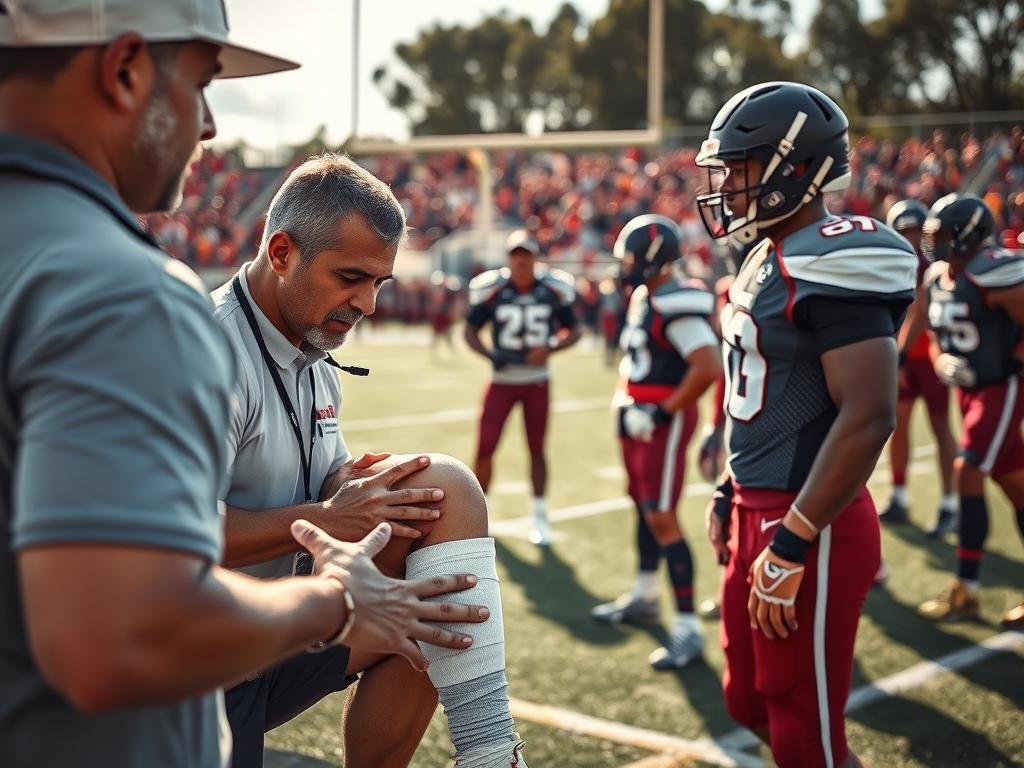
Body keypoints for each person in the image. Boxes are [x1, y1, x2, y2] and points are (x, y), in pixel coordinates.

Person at [0, 5, 488, 767]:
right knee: (405, 604)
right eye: (201, 82)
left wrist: (354, 493)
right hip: (126, 716)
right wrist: (333, 599)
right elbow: (119, 637)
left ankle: (493, 751)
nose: (209, 126)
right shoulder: (126, 296)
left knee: (443, 510)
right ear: (124, 69)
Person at [215, 153, 530, 768]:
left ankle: (492, 755)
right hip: (191, 672)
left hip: (276, 633)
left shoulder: (308, 342)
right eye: (351, 277)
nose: (367, 303)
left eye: (379, 283)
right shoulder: (207, 353)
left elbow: (322, 475)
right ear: (281, 253)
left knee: (442, 491)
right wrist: (330, 516)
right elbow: (161, 540)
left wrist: (356, 483)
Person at [695, 81, 917, 768]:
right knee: (746, 701)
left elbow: (869, 412)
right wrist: (734, 485)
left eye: (741, 168)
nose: (727, 186)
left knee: (802, 726)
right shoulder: (764, 253)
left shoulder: (833, 253)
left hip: (807, 520)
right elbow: (767, 394)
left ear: (796, 167)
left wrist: (792, 542)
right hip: (756, 509)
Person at [590, 215, 722, 670]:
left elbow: (707, 366)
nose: (624, 265)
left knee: (662, 516)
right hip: (637, 416)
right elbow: (635, 358)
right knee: (644, 506)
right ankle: (646, 596)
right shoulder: (646, 294)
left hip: (663, 420)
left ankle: (687, 627)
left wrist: (661, 412)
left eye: (630, 256)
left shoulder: (674, 300)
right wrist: (625, 401)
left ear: (651, 257)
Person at [903, 194, 1024, 629]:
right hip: (969, 392)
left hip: (1001, 387)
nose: (935, 242)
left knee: (966, 469)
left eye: (945, 234)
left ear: (969, 235)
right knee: (1016, 486)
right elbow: (925, 324)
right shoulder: (938, 275)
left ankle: (967, 592)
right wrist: (936, 359)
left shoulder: (996, 272)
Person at [465, 231, 582, 545]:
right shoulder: (493, 290)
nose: (520, 260)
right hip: (502, 381)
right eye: (515, 254)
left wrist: (551, 348)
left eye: (526, 254)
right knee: (485, 447)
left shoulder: (551, 291)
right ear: (508, 259)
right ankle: (479, 516)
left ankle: (539, 515)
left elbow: (574, 330)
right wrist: (491, 355)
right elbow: (470, 331)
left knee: (537, 448)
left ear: (535, 257)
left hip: (536, 381)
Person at [877, 199, 958, 537]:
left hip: (929, 359)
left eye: (915, 232)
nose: (910, 240)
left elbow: (921, 315)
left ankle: (950, 503)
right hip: (902, 357)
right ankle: (898, 495)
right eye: (904, 232)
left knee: (941, 428)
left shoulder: (936, 267)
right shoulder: (887, 264)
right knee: (899, 425)